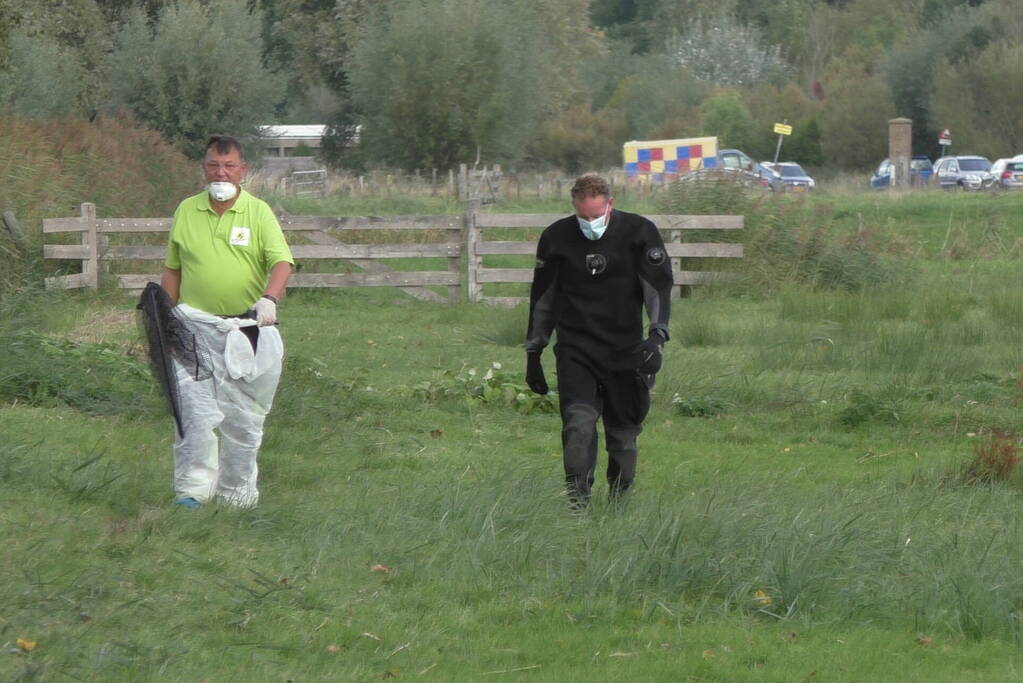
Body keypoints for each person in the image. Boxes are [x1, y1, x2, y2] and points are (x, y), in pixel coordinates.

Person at [160, 134, 294, 508]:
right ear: (203, 168)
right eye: (213, 165)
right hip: (193, 328)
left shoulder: (258, 212)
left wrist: (269, 299)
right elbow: (173, 269)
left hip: (245, 331)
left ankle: (236, 495)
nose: (221, 173)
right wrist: (166, 317)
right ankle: (192, 492)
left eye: (229, 165)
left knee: (242, 419)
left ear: (242, 170)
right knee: (192, 413)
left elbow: (281, 262)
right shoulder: (186, 210)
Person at [524, 174, 673, 507]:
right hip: (577, 349)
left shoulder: (639, 233)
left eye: (596, 216)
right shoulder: (556, 238)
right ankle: (578, 506)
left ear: (610, 204)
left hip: (626, 350)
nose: (590, 223)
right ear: (574, 207)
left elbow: (658, 288)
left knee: (623, 435)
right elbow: (543, 298)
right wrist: (534, 351)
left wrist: (657, 337)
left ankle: (618, 504)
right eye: (583, 217)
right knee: (578, 427)